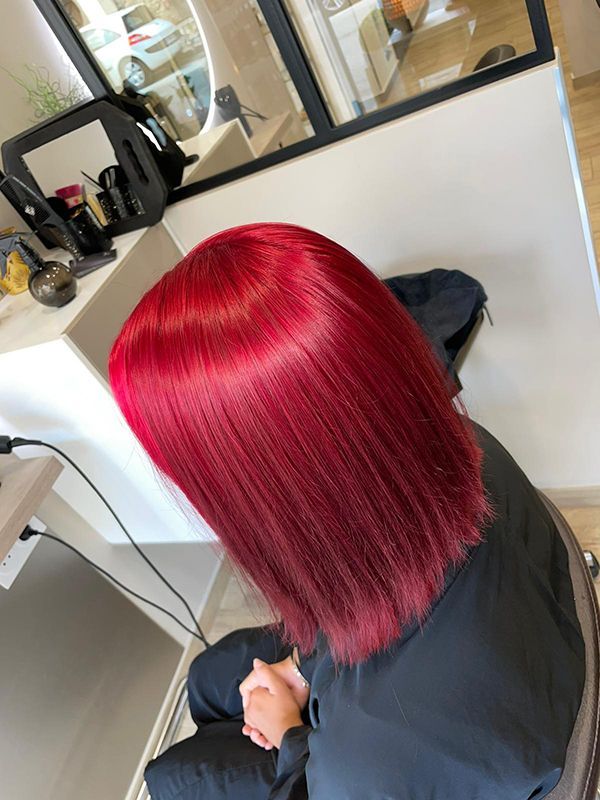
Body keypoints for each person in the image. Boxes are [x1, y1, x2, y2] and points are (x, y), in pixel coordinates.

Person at [109, 223, 584, 800]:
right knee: (208, 675)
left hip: (393, 735)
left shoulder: (373, 764)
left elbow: (338, 777)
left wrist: (289, 735)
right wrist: (304, 670)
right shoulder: (463, 441)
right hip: (426, 630)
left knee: (171, 776)